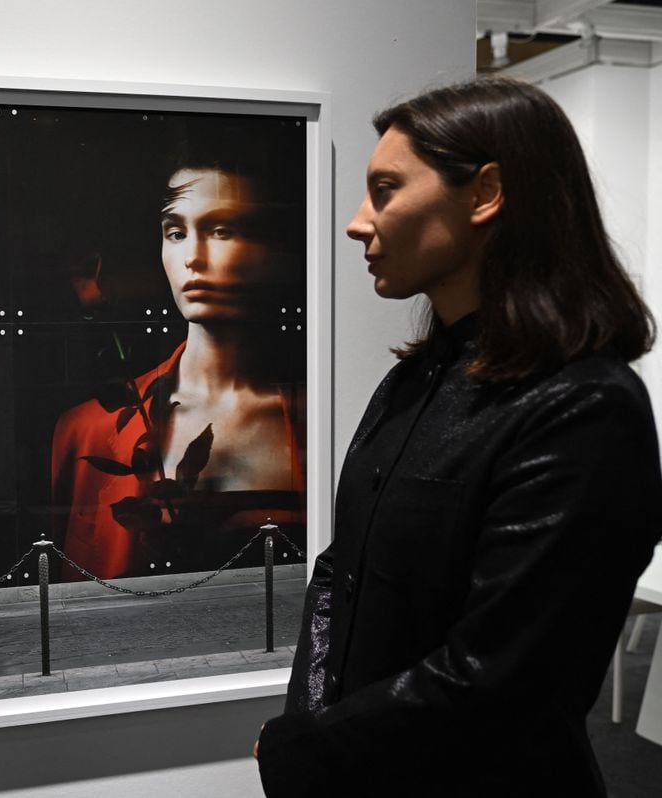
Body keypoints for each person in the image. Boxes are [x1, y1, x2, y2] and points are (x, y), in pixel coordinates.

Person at [254, 77, 662, 796]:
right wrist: (310, 727)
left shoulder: (584, 407)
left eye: (385, 189)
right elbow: (338, 572)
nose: (358, 221)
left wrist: (311, 749)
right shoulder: (416, 381)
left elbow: (504, 676)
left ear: (484, 194)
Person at [51, 133, 306, 579]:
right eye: (175, 232)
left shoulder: (317, 416)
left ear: (269, 250)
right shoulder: (86, 432)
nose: (193, 257)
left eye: (221, 230)